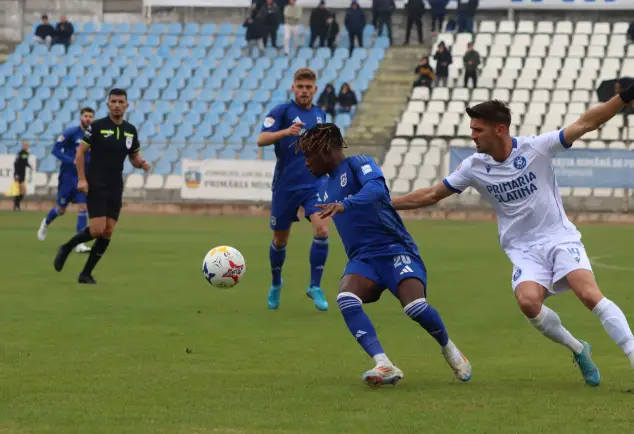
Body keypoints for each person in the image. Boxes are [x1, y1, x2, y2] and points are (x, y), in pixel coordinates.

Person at [392, 85, 634, 386]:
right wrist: (386, 203)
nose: (473, 135)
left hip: (559, 237)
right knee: (528, 303)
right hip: (523, 249)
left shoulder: (537, 148)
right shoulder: (474, 166)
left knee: (588, 294)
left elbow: (587, 123)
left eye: (478, 129)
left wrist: (623, 98)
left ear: (500, 129)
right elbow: (430, 194)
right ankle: (578, 348)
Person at [298, 123, 472, 387]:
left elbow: (377, 191)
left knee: (414, 307)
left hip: (395, 249)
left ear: (327, 150)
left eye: (310, 154)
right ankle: (384, 364)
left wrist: (346, 204)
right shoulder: (320, 186)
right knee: (346, 298)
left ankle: (449, 348)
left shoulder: (359, 164)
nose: (306, 161)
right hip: (363, 259)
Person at [53, 89, 151, 284]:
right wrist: (82, 179)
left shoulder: (130, 130)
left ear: (126, 105)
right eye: (113, 101)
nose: (116, 105)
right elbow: (80, 153)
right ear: (108, 105)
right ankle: (66, 247)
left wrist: (141, 164)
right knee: (97, 229)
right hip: (96, 181)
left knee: (108, 231)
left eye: (120, 101)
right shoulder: (96, 127)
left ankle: (85, 273)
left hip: (115, 184)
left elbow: (133, 156)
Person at [257, 68, 330, 311]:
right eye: (300, 87)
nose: (304, 91)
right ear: (293, 88)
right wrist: (286, 132)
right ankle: (276, 283)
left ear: (315, 90)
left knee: (322, 230)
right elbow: (262, 139)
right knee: (280, 240)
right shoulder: (282, 112)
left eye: (309, 87)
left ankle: (314, 286)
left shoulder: (321, 115)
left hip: (313, 184)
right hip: (286, 186)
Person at [37, 107, 95, 253]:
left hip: (83, 177)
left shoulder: (94, 136)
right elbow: (55, 150)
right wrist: (71, 160)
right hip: (68, 178)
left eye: (90, 117)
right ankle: (46, 222)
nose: (88, 119)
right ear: (81, 117)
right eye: (86, 116)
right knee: (61, 210)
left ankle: (79, 244)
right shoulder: (71, 132)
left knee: (83, 207)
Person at [12, 141, 32, 211]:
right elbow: (16, 163)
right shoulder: (19, 153)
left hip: (23, 174)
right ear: (22, 145)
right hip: (18, 174)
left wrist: (30, 166)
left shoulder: (26, 153)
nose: (26, 146)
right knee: (20, 190)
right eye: (24, 144)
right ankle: (16, 205)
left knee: (22, 192)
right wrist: (16, 174)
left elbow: (25, 162)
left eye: (27, 145)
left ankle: (16, 205)